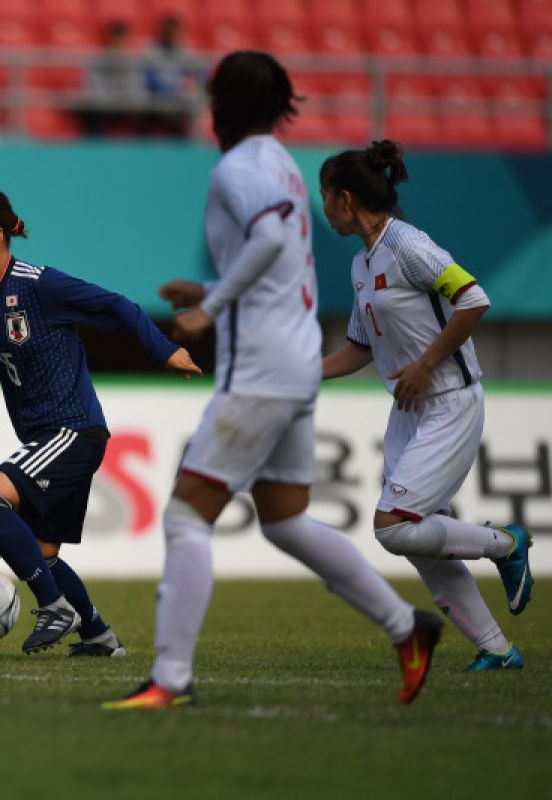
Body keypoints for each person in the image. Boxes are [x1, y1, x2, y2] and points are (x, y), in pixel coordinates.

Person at [105, 52, 444, 710]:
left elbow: (265, 244)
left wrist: (212, 304)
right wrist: (210, 288)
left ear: (219, 103)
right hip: (295, 360)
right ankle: (409, 626)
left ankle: (169, 679)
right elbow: (282, 256)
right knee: (285, 522)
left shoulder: (238, 167)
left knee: (183, 518)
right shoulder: (283, 167)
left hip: (260, 368)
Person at [0, 187, 202, 657]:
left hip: (73, 430)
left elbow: (118, 306)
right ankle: (99, 637)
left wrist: (165, 350)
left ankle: (54, 606)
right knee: (41, 552)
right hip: (45, 436)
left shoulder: (38, 285)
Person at [318, 139, 532, 672]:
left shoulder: (408, 245)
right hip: (409, 411)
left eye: (324, 196)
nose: (323, 207)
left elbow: (473, 297)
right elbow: (361, 349)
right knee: (415, 537)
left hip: (449, 403)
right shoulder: (361, 265)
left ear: (345, 199)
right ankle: (496, 649)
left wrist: (427, 363)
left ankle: (504, 543)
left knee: (393, 525)